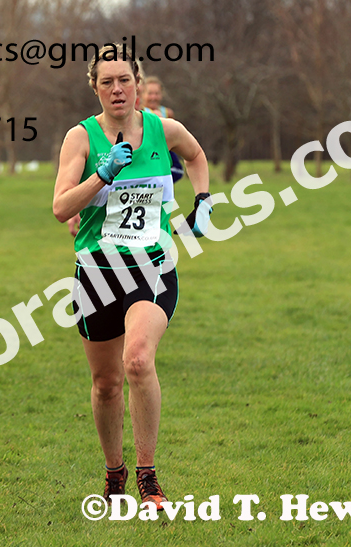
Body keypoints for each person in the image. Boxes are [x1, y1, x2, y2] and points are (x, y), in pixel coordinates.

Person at [52, 44, 213, 510]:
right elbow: (61, 207)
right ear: (95, 88)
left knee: (138, 360)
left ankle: (148, 476)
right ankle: (113, 471)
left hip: (153, 267)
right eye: (108, 82)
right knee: (105, 384)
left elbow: (197, 155)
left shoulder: (164, 130)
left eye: (125, 79)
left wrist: (203, 201)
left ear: (138, 82)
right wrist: (100, 177)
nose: (118, 89)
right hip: (98, 274)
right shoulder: (80, 139)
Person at [140, 76, 184, 183]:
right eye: (150, 93)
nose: (153, 97)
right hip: (147, 154)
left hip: (165, 153)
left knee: (177, 171)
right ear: (142, 94)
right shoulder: (139, 111)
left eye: (157, 93)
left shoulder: (168, 112)